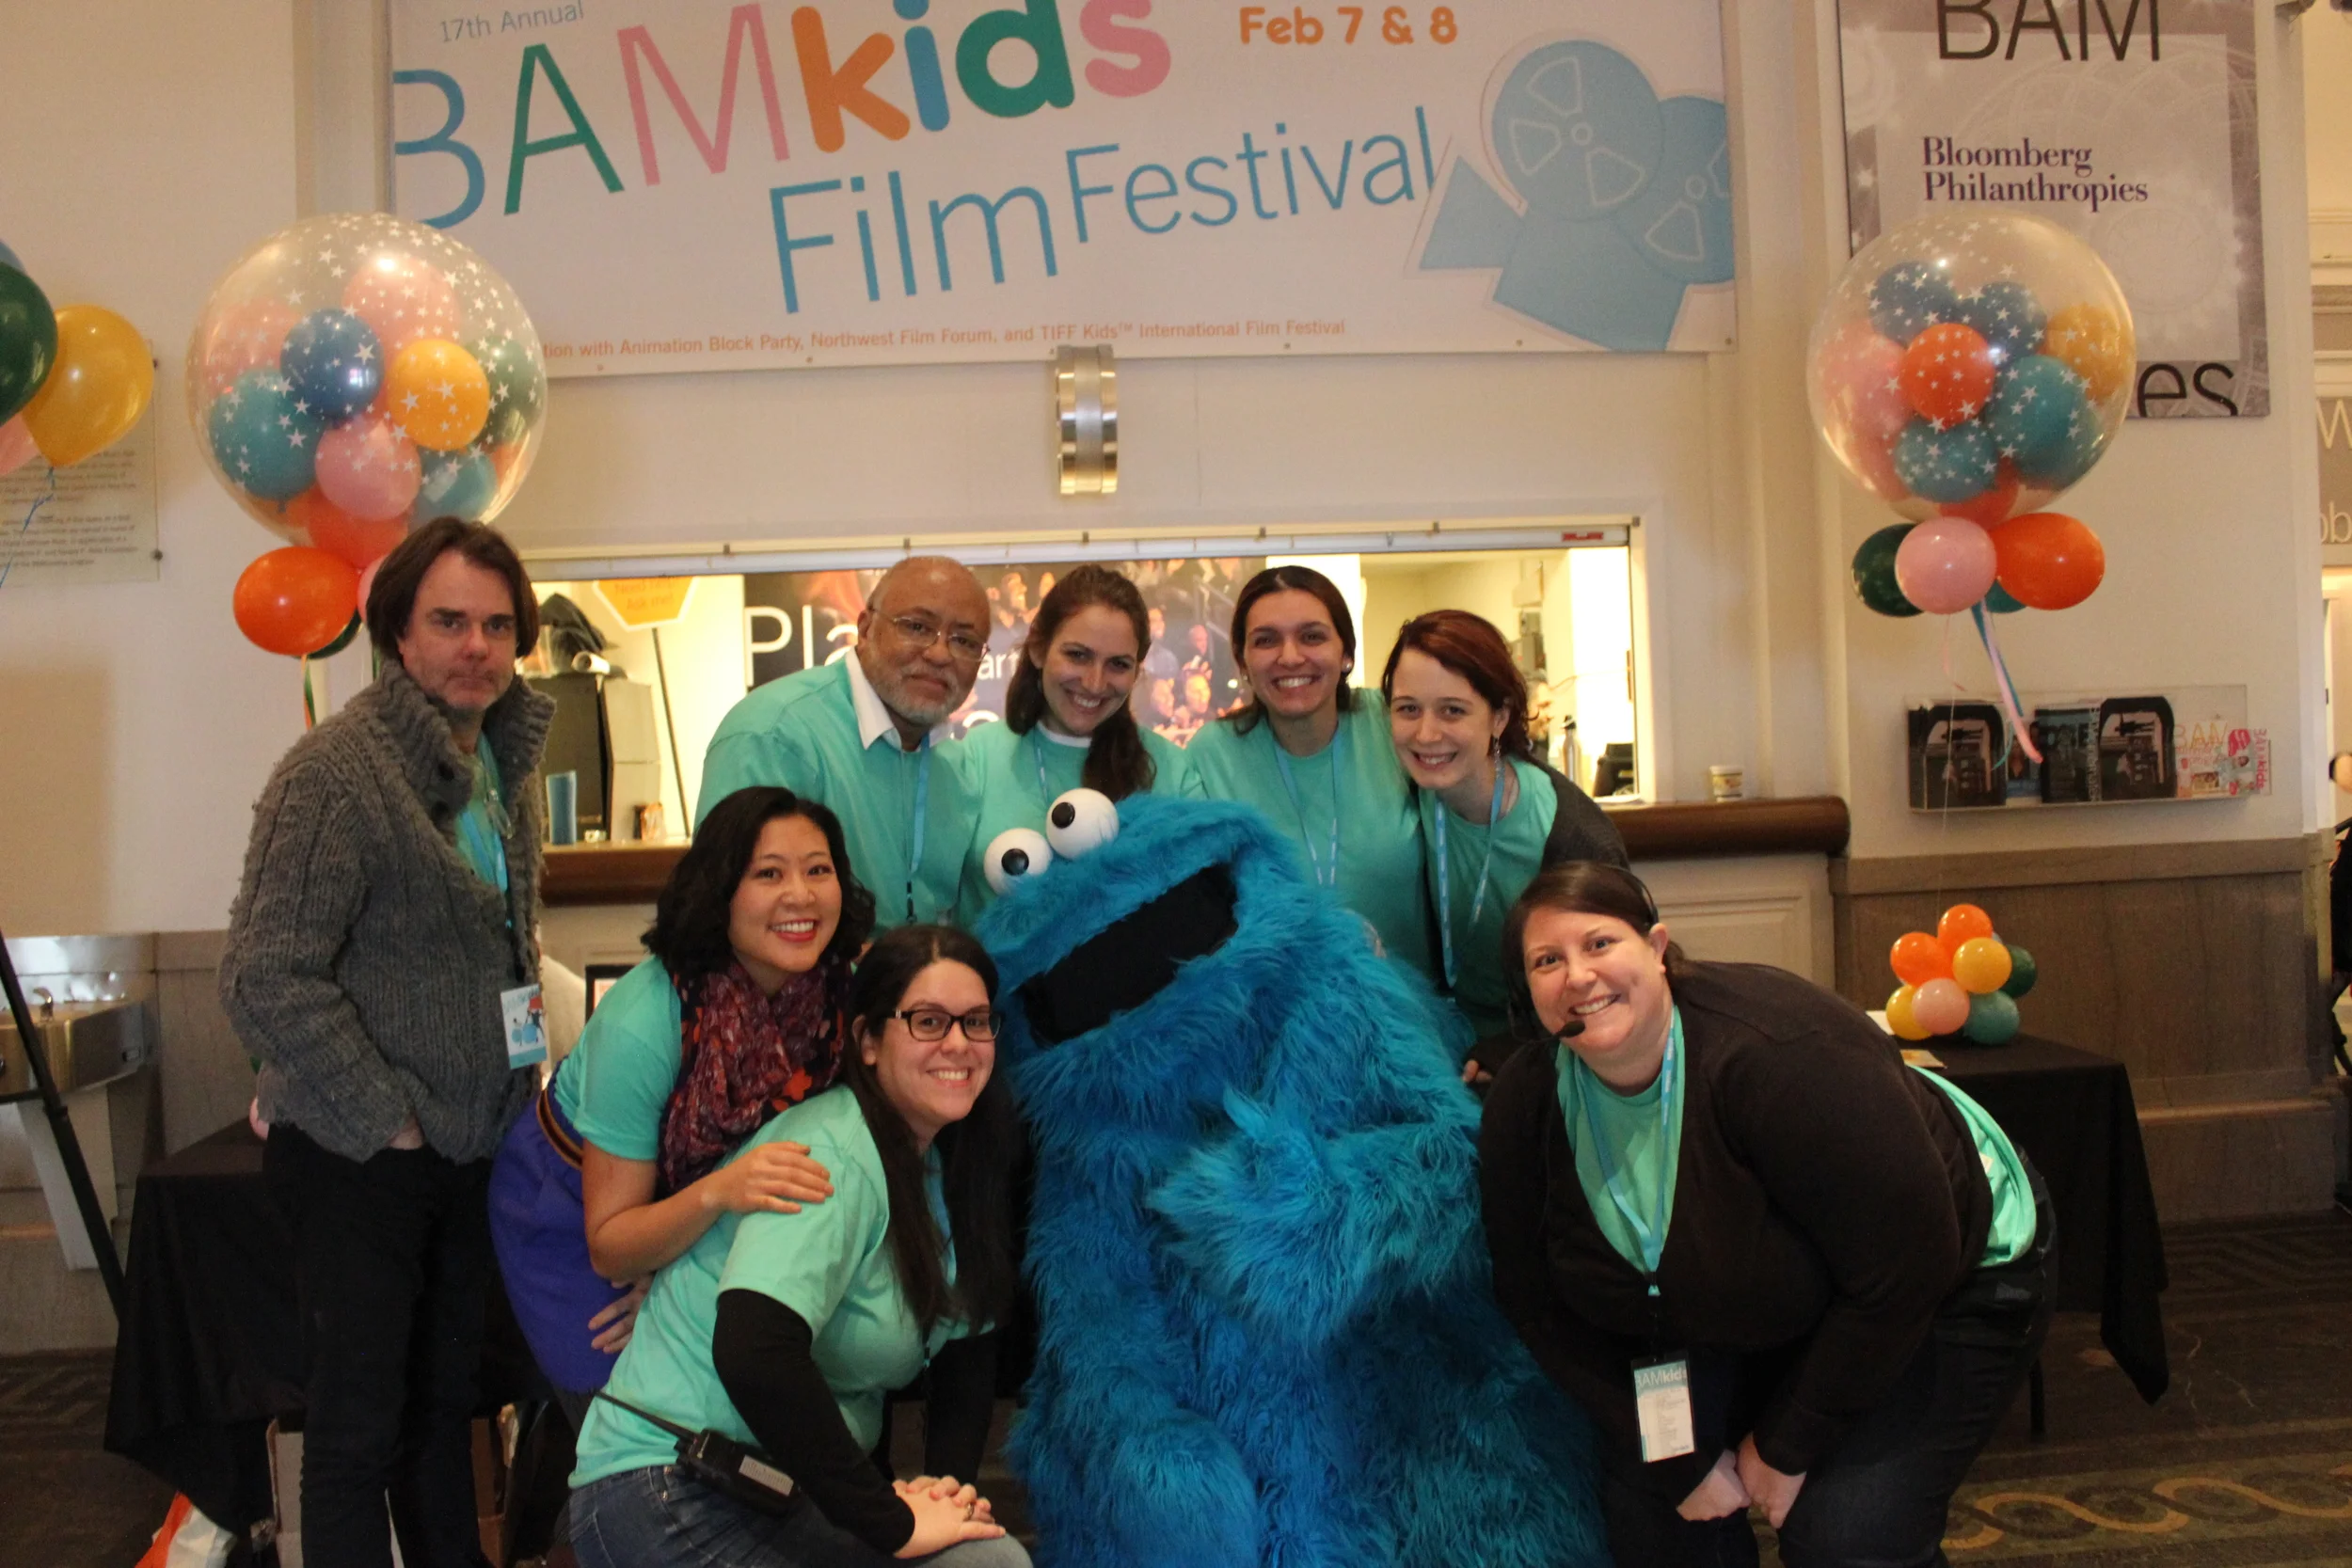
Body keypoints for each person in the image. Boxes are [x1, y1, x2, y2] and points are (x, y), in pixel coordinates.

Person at [1479, 863, 2053, 1568]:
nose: (1577, 975)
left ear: (1656, 947)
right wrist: (1675, 1458)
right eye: (1547, 961)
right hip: (1743, 1298)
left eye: (1599, 944)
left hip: (1950, 1272)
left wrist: (1784, 1444)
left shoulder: (1777, 1054)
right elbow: (1533, 1303)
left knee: (1843, 1535)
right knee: (1659, 1519)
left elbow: (1909, 1263)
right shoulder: (1526, 1103)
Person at [220, 517, 553, 1568]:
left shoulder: (500, 762)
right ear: (397, 633)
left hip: (469, 1152)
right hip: (360, 1156)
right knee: (356, 1429)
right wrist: (388, 1119)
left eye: (497, 625)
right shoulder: (334, 773)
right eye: (449, 621)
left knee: (444, 1409)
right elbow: (262, 976)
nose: (477, 647)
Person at [566, 926, 1028, 1568]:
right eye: (928, 1021)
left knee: (985, 1560)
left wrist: (947, 1500)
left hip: (780, 1491)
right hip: (675, 1485)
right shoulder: (830, 1149)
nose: (958, 1043)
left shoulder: (949, 1168)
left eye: (975, 1022)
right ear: (868, 1041)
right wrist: (892, 1522)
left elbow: (966, 1352)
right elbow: (754, 1351)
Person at [487, 786, 870, 1413]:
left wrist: (684, 1270)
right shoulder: (645, 1019)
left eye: (818, 870)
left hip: (716, 1202)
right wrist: (690, 1244)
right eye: (769, 873)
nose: (800, 896)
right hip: (575, 1205)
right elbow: (611, 1242)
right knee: (640, 1402)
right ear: (720, 890)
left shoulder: (837, 989)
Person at [1381, 610, 1629, 1067]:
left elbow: (1608, 992)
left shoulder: (1571, 836)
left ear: (1499, 717)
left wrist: (1514, 1058)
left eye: (1453, 710)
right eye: (1408, 709)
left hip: (1550, 1055)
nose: (1426, 734)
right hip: (1437, 1043)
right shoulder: (1405, 796)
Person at [700, 558, 990, 928]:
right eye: (917, 627)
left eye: (964, 641)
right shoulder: (774, 734)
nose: (939, 654)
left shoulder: (956, 765)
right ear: (865, 629)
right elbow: (726, 916)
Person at [1186, 564, 1429, 970]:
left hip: (1409, 997)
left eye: (1312, 636)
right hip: (1277, 1000)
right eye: (1266, 640)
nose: (1290, 657)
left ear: (1346, 653)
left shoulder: (1394, 724)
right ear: (1243, 661)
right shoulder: (1212, 754)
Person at [950, 565, 1201, 920]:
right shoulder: (976, 758)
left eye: (1118, 664)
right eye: (1078, 655)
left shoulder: (1170, 769)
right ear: (1038, 648)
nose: (1095, 683)